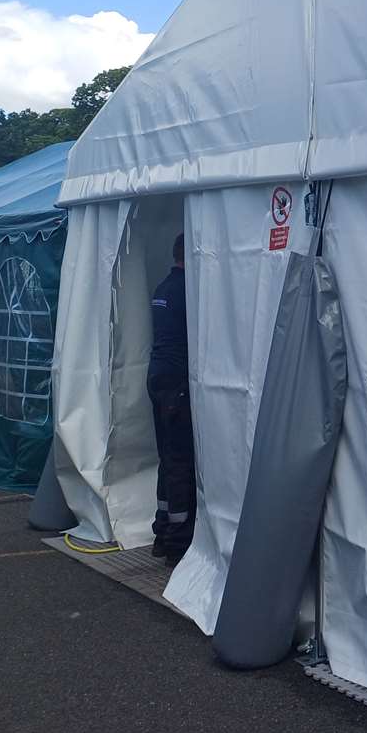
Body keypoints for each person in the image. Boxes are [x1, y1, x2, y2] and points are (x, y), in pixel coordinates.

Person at [148, 233, 194, 565]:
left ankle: (162, 532)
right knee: (180, 462)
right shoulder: (186, 290)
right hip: (177, 384)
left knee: (167, 457)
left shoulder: (163, 288)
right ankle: (178, 543)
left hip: (158, 378)